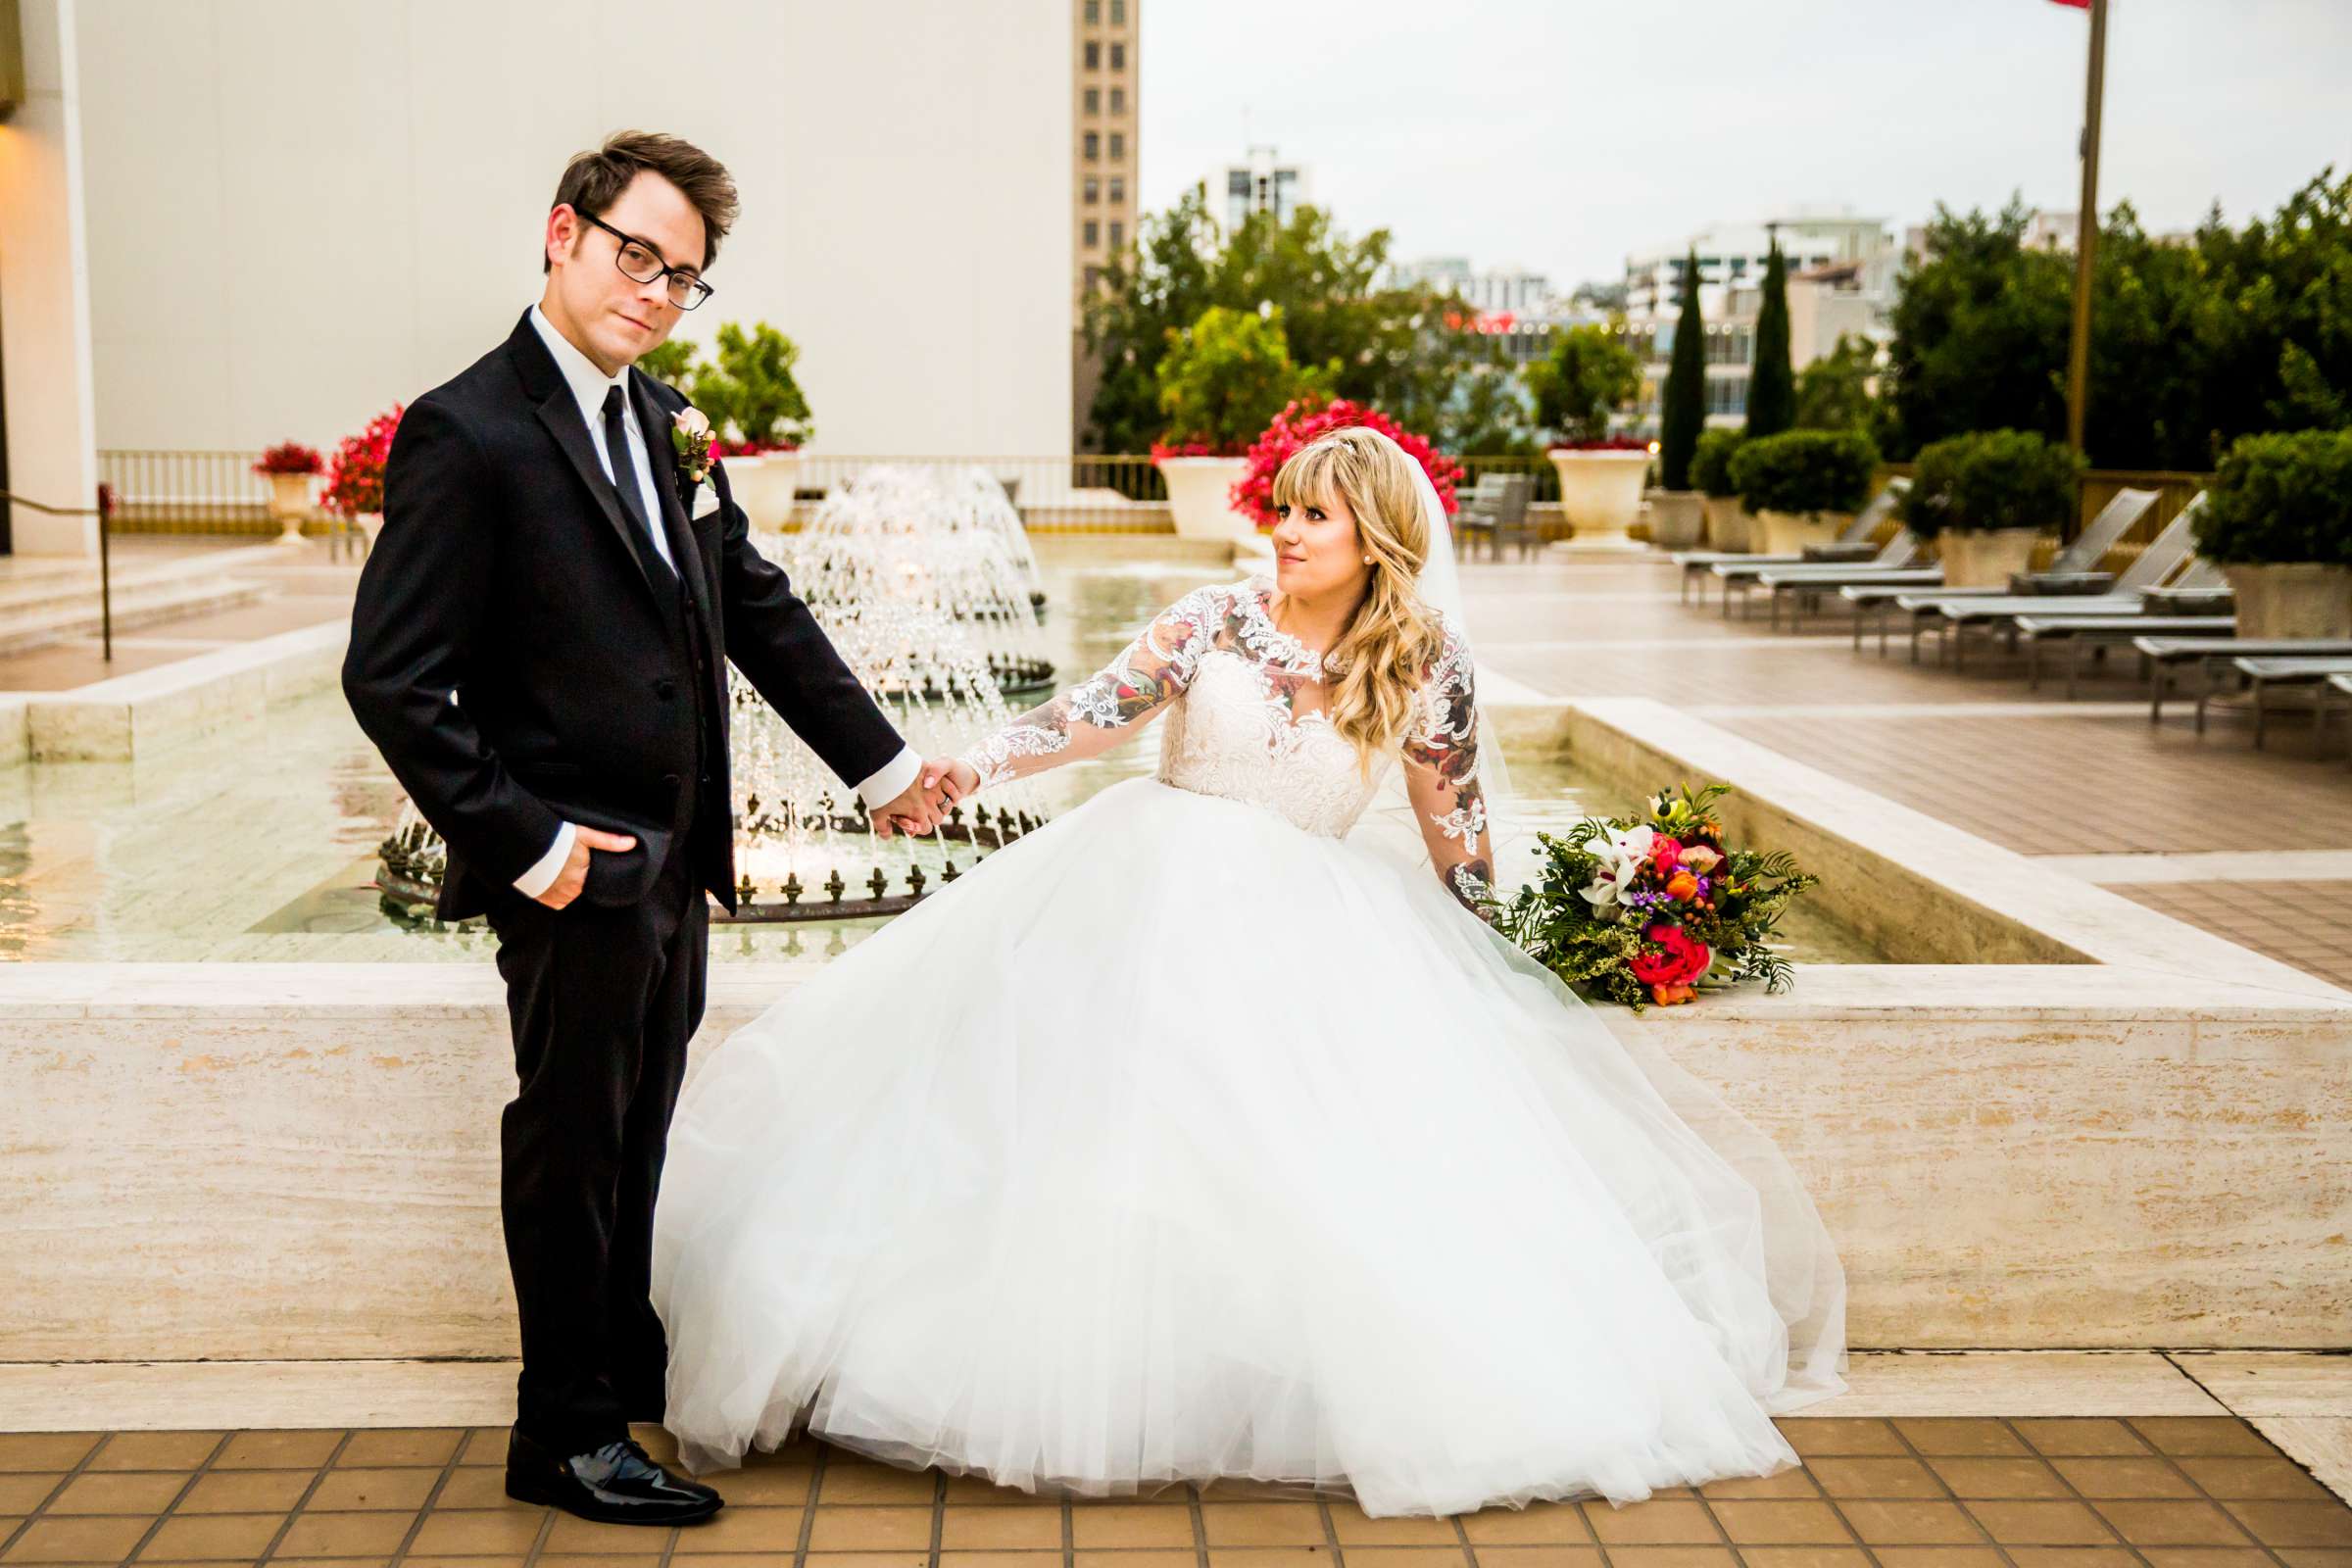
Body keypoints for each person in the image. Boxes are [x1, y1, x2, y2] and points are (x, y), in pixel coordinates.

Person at [649, 426, 1849, 1519]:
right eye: (1282, 505)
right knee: (1102, 1138)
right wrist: (972, 765)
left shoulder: (1424, 664)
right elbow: (1094, 713)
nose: (1283, 526)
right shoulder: (1213, 618)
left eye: (1314, 514)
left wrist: (1527, 953)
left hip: (1313, 921)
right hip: (1147, 887)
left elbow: (1457, 833)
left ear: (1375, 536)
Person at [340, 130, 952, 1527]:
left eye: (684, 276)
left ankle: (614, 1372)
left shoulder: (665, 419)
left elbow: (755, 608)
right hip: (573, 873)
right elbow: (392, 677)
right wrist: (532, 846)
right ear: (563, 234)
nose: (657, 292)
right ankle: (560, 1435)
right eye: (638, 257)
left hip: (675, 871)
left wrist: (883, 768)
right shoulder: (470, 428)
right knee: (570, 1141)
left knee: (636, 1135)